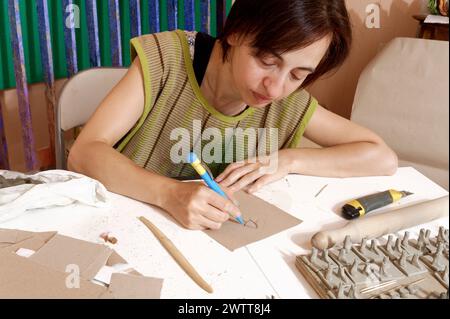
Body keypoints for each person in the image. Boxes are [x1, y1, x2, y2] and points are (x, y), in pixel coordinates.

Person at [68, 0, 398, 230]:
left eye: (298, 74)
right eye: (268, 61)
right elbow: (85, 153)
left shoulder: (287, 100)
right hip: (126, 230)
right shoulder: (168, 59)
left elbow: (382, 158)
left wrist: (290, 160)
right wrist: (170, 194)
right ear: (237, 32)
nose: (275, 88)